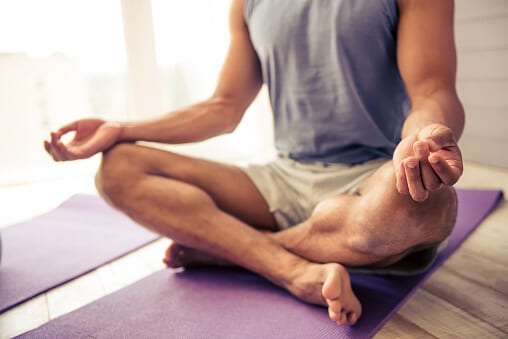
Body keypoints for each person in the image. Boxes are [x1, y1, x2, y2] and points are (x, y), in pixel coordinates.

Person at [44, 0, 464, 326]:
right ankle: (292, 270)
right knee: (118, 167)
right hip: (280, 181)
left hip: (372, 181)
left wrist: (421, 139)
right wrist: (120, 128)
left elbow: (431, 90)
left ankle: (228, 251)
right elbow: (223, 107)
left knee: (431, 205)